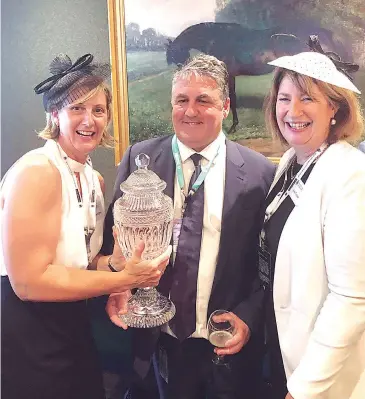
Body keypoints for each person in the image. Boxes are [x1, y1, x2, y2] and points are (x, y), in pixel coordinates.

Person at [103, 54, 275, 399]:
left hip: (221, 347)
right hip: (152, 347)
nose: (190, 111)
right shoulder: (140, 158)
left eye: (203, 100)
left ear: (225, 106)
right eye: (182, 100)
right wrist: (116, 286)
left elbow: (268, 264)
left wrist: (249, 316)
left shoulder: (260, 174)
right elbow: (114, 246)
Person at [0, 53, 171, 399]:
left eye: (98, 110)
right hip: (29, 334)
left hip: (74, 326)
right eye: (76, 108)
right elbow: (29, 283)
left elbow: (83, 263)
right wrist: (124, 280)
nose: (89, 119)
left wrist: (120, 264)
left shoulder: (92, 178)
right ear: (55, 115)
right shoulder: (37, 173)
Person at [261, 35, 365, 399]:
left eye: (308, 99)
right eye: (285, 98)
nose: (293, 111)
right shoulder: (293, 161)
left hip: (322, 374)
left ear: (334, 109)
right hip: (282, 348)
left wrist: (306, 388)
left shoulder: (351, 173)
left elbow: (352, 299)